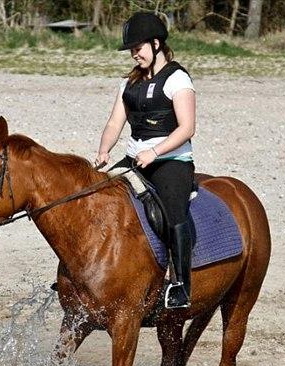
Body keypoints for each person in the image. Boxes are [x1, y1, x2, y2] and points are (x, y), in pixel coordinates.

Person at [96, 11, 196, 309]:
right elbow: (115, 123)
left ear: (156, 44)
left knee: (174, 213)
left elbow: (187, 128)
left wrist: (155, 152)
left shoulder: (177, 79)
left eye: (137, 48)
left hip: (172, 161)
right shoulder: (129, 83)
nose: (133, 55)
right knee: (98, 198)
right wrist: (104, 150)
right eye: (131, 50)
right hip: (133, 159)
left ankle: (181, 285)